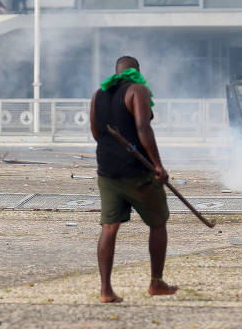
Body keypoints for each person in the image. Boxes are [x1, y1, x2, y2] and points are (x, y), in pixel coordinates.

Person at [89, 56, 178, 303]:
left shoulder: (99, 94)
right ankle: (156, 282)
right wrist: (158, 165)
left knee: (109, 227)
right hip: (136, 172)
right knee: (158, 222)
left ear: (116, 72)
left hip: (106, 170)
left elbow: (96, 133)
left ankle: (105, 290)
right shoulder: (137, 90)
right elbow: (143, 128)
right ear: (137, 72)